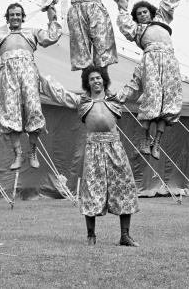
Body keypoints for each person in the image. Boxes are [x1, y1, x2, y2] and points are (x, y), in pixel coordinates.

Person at [39, 66, 140, 247]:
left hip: (115, 147)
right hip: (94, 148)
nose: (96, 81)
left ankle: (125, 235)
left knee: (124, 186)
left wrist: (143, 69)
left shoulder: (114, 100)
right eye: (92, 79)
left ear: (104, 80)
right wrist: (40, 77)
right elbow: (60, 94)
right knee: (92, 189)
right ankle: (91, 236)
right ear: (88, 82)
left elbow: (132, 88)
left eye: (99, 78)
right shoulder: (83, 102)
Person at [0, 3, 62, 170]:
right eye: (12, 15)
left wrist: (51, 15)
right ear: (7, 17)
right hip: (8, 72)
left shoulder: (32, 32)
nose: (15, 17)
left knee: (33, 109)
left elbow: (52, 37)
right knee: (10, 112)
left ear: (22, 17)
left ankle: (32, 151)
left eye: (18, 14)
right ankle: (17, 154)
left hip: (28, 71)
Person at [116, 0, 182, 159]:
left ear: (150, 13)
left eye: (145, 12)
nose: (142, 15)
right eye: (139, 14)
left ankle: (157, 143)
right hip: (151, 60)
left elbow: (168, 0)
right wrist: (123, 8)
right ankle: (145, 139)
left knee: (167, 103)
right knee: (152, 99)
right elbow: (125, 23)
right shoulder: (137, 30)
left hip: (169, 60)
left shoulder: (162, 19)